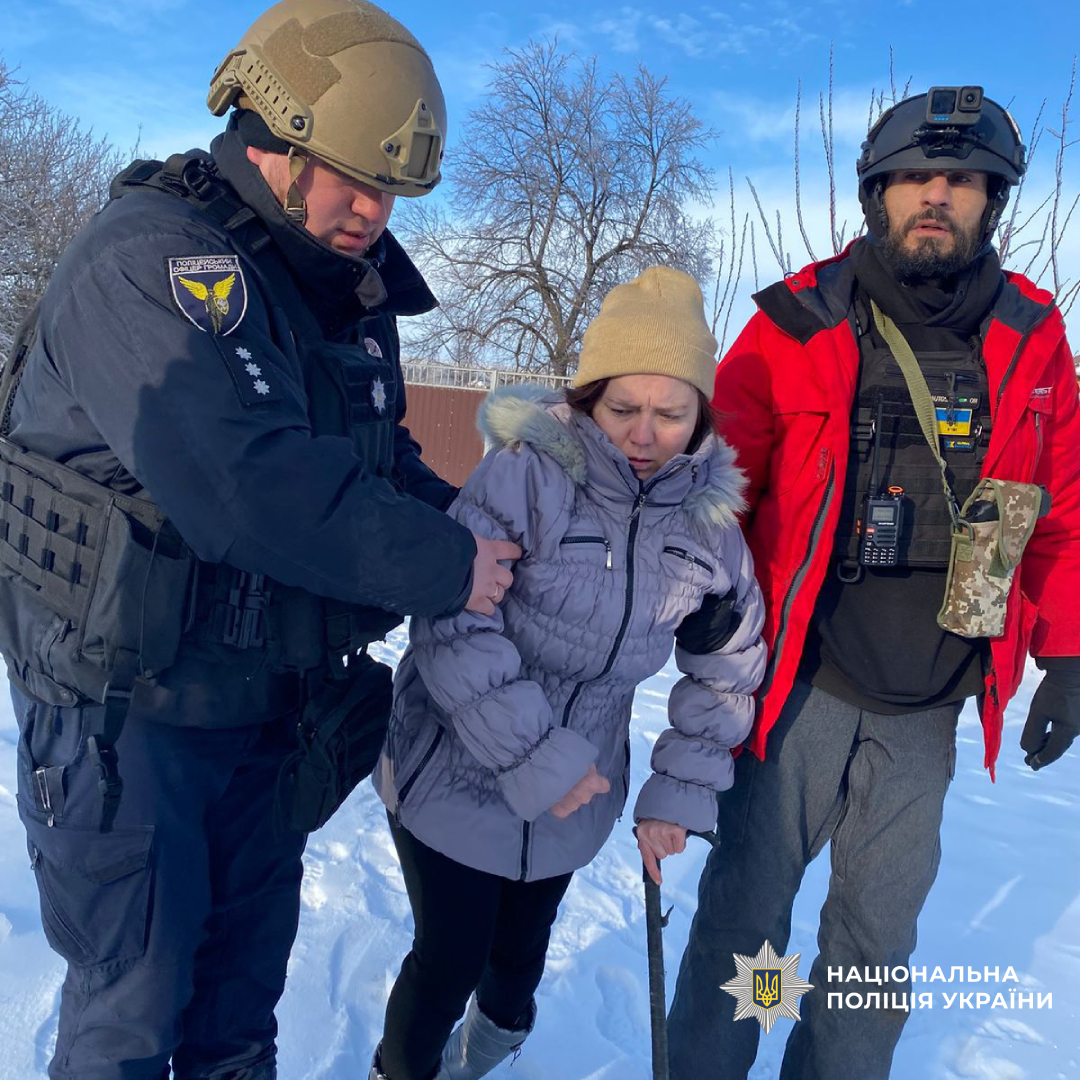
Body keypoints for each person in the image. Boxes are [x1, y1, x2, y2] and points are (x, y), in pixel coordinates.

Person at [0, 2, 520, 1077]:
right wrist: (446, 567)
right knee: (131, 1020)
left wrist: (483, 524)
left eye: (391, 193)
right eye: (354, 180)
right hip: (128, 725)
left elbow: (373, 462)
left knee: (239, 1017)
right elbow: (250, 485)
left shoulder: (331, 286)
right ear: (273, 141)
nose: (373, 213)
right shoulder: (156, 261)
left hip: (261, 714)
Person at [666, 87, 1080, 1080]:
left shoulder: (1033, 340)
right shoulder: (795, 321)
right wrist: (702, 596)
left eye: (964, 181)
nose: (937, 195)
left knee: (872, 954)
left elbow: (1064, 509)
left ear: (995, 202)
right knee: (749, 930)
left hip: (929, 710)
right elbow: (712, 486)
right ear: (875, 193)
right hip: (801, 688)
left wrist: (1065, 652)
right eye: (914, 178)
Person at [368, 266, 767, 1080]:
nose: (644, 433)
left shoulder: (710, 526)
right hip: (458, 765)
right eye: (623, 408)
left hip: (576, 793)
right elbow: (453, 621)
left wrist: (675, 795)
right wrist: (536, 760)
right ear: (589, 400)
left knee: (515, 969)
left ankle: (482, 1058)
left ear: (701, 417)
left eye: (670, 412)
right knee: (449, 959)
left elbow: (726, 668)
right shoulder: (528, 476)